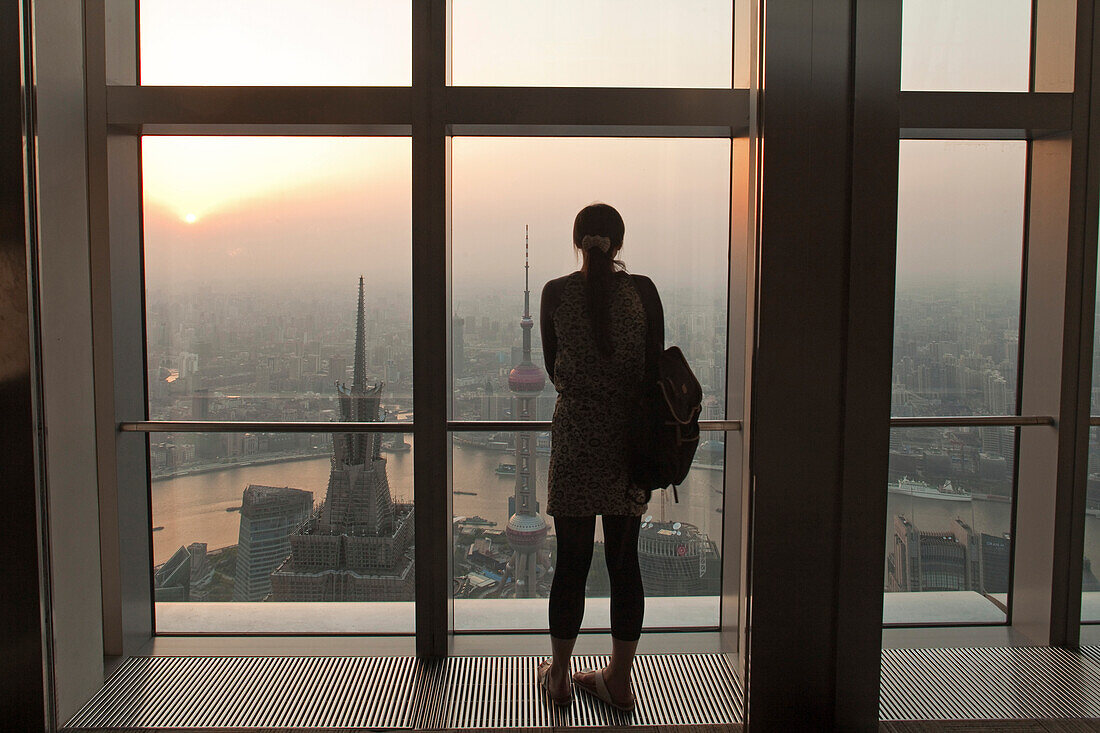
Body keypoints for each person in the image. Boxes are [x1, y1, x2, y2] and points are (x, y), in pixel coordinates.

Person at [535, 203, 664, 712]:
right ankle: (619, 679)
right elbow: (653, 363)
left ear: (576, 242)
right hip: (630, 445)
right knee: (624, 562)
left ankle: (561, 677)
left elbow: (552, 368)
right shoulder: (644, 292)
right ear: (620, 244)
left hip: (575, 443)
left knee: (570, 564)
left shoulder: (554, 295)